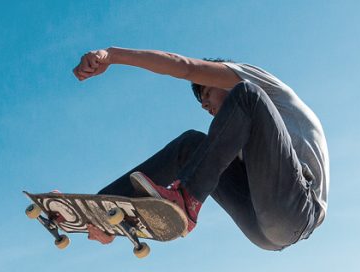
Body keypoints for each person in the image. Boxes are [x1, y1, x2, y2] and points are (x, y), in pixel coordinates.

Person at [72, 48, 328, 251]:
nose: (206, 106)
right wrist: (103, 218)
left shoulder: (261, 86)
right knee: (192, 144)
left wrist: (112, 55)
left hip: (298, 210)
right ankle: (101, 209)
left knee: (248, 95)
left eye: (207, 94)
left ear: (225, 79)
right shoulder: (235, 142)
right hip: (261, 228)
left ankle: (187, 198)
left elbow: (184, 67)